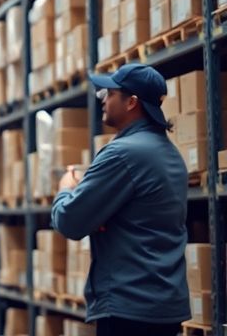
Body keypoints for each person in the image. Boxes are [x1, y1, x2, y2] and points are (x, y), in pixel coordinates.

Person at [51, 63, 190, 336]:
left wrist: (66, 189)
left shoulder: (123, 154)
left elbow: (69, 221)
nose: (102, 96)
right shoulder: (170, 154)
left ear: (132, 102)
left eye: (110, 92)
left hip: (130, 310)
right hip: (164, 307)